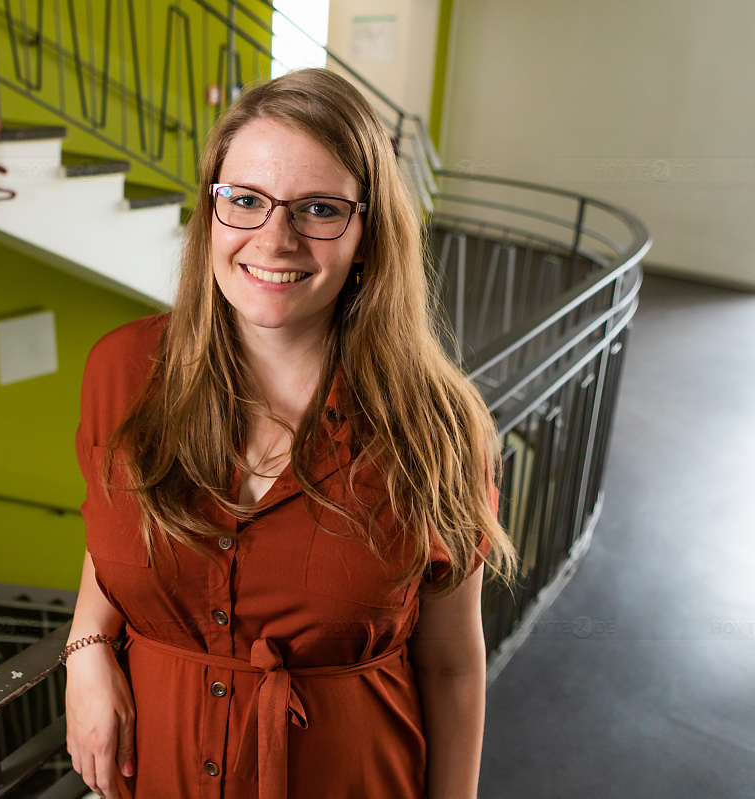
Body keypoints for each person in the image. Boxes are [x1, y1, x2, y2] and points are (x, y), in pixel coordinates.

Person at [62, 68, 517, 799]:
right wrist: (85, 648)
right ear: (211, 213)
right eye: (244, 200)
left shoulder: (440, 429)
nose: (274, 239)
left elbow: (453, 666)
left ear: (367, 235)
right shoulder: (121, 371)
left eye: (318, 209)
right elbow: (114, 530)